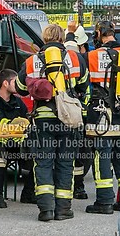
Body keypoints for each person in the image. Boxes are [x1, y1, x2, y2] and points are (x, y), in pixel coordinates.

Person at [16, 24, 90, 222]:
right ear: (63, 38)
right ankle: (63, 208)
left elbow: (20, 87)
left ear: (45, 38)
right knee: (66, 163)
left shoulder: (32, 61)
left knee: (43, 163)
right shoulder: (75, 58)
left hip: (43, 119)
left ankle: (46, 210)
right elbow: (84, 84)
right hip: (68, 119)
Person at [85, 20, 120, 214]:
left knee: (102, 157)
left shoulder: (92, 55)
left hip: (101, 116)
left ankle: (105, 201)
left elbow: (83, 82)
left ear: (99, 33)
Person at [0, 69, 35, 208]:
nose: (19, 85)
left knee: (35, 151)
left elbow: (25, 121)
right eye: (16, 82)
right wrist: (14, 124)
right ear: (5, 83)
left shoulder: (18, 102)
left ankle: (28, 193)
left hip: (15, 142)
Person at [64, 23, 91, 199]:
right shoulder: (80, 59)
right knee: (80, 152)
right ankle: (78, 188)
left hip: (64, 112)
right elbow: (86, 88)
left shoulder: (59, 58)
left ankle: (72, 187)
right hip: (78, 113)